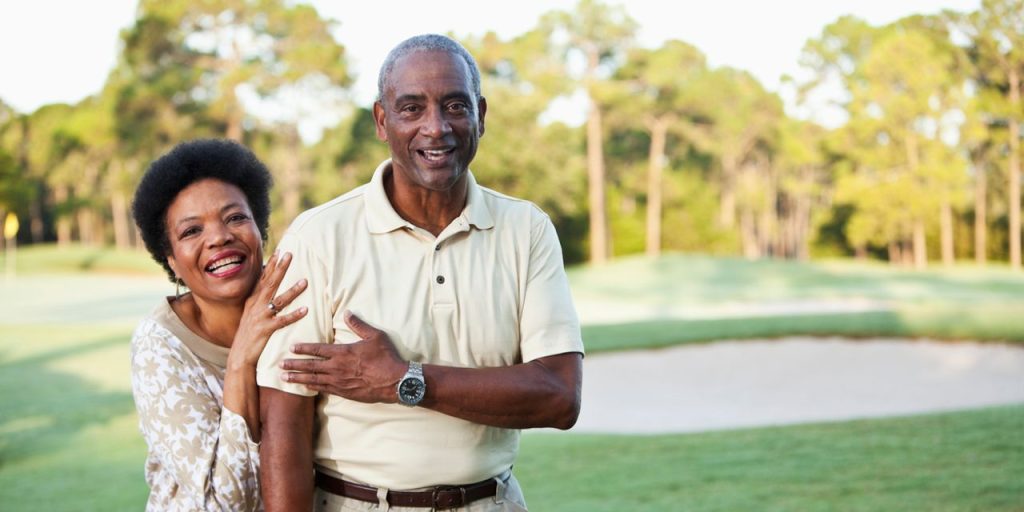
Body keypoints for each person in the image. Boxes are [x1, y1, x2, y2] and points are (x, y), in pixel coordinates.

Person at [256, 34, 584, 511]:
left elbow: (559, 396)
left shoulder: (526, 229)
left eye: (455, 106)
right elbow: (283, 419)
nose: (436, 128)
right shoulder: (318, 237)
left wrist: (403, 380)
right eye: (412, 108)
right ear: (381, 120)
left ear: (481, 116)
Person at [129, 139, 309, 511]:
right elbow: (224, 503)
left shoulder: (300, 301)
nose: (219, 237)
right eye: (191, 231)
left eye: (235, 218)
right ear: (171, 261)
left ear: (260, 228)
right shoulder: (160, 345)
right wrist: (241, 358)